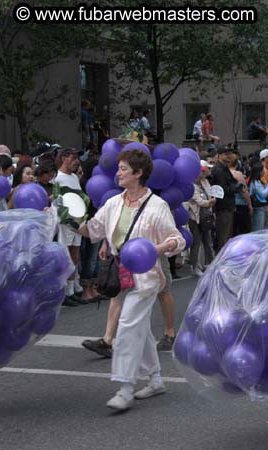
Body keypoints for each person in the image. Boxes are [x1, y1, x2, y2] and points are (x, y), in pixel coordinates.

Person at [73, 149, 185, 411]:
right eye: (119, 168)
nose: (118, 173)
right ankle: (156, 380)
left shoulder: (157, 205)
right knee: (141, 329)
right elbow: (92, 230)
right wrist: (67, 217)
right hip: (120, 275)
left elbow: (177, 240)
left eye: (123, 169)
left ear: (138, 173)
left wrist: (155, 249)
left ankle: (125, 387)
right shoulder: (114, 203)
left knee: (127, 325)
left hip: (146, 278)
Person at [54, 147, 89, 307]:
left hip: (78, 221)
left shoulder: (74, 177)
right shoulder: (58, 179)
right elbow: (58, 202)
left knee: (75, 255)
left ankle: (71, 290)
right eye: (73, 158)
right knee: (66, 256)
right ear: (64, 158)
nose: (76, 162)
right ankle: (63, 293)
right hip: (67, 223)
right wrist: (68, 220)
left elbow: (79, 197)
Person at [186, 160, 216, 276]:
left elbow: (210, 194)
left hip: (206, 216)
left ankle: (208, 263)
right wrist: (210, 202)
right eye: (203, 171)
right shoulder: (191, 185)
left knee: (208, 241)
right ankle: (195, 267)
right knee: (197, 244)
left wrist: (211, 201)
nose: (205, 173)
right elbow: (199, 201)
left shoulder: (205, 182)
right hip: (195, 217)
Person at [209, 146, 238, 253]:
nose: (229, 156)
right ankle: (221, 260)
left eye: (229, 154)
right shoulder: (219, 170)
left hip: (228, 205)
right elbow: (222, 189)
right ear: (219, 155)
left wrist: (236, 186)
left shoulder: (224, 168)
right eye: (226, 154)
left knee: (227, 236)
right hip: (223, 207)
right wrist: (235, 188)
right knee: (223, 237)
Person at [227, 153, 252, 236]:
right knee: (243, 231)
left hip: (229, 205)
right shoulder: (237, 174)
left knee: (232, 231)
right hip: (240, 205)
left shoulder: (224, 172)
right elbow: (244, 191)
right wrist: (250, 205)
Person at [249, 163, 268, 231]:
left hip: (259, 207)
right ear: (259, 172)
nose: (264, 172)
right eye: (262, 170)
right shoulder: (256, 182)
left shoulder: (256, 181)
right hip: (258, 207)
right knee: (258, 228)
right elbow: (263, 194)